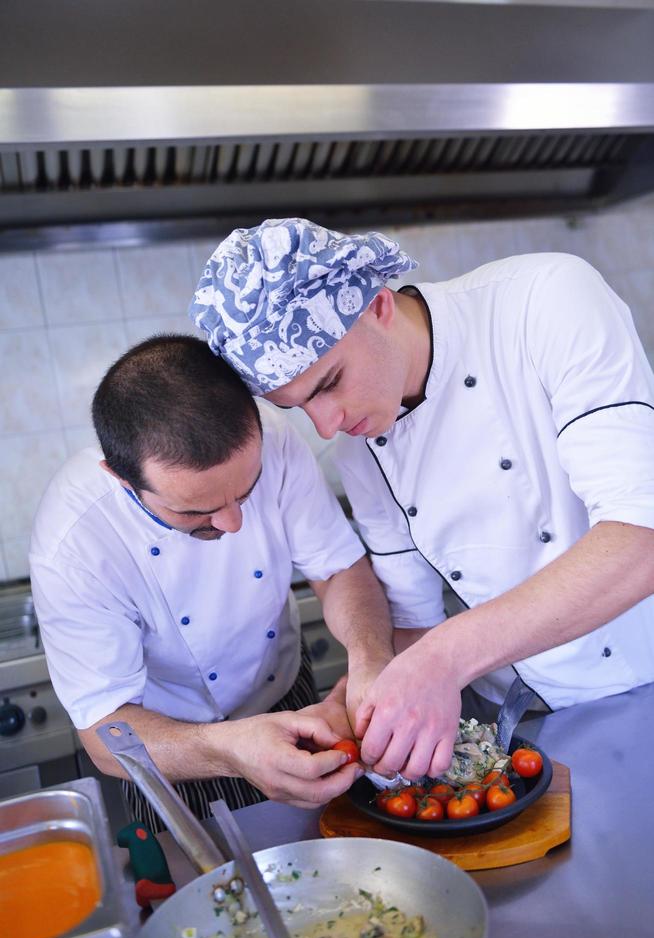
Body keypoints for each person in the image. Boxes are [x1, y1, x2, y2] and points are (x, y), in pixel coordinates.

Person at [189, 216, 654, 783]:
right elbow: (412, 619)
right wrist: (372, 692)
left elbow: (641, 535)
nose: (327, 426)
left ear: (378, 305)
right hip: (525, 722)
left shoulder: (546, 300)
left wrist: (443, 658)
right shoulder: (363, 447)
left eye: (329, 382)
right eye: (297, 407)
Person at [30, 335, 394, 831]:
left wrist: (372, 661)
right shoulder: (75, 541)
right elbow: (105, 731)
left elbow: (338, 568)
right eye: (195, 510)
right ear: (119, 477)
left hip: (289, 692)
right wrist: (226, 751)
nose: (232, 524)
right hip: (170, 746)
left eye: (247, 491)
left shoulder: (275, 437)